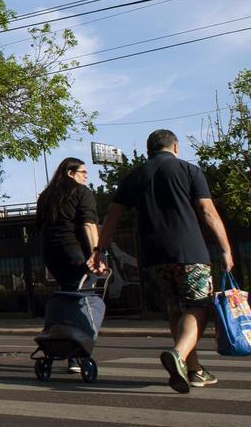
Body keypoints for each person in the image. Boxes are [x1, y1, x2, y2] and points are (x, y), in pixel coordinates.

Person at [93, 128, 234, 393]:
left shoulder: (133, 177)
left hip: (153, 257)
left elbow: (111, 216)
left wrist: (100, 250)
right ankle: (179, 355)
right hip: (190, 252)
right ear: (175, 147)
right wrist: (225, 248)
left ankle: (194, 371)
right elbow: (207, 210)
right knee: (198, 307)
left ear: (149, 150)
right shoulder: (189, 170)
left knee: (176, 310)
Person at [36, 156, 100, 373]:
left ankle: (62, 346)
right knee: (81, 301)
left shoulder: (45, 196)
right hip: (74, 252)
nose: (86, 176)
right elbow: (89, 225)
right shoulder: (82, 192)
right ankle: (76, 353)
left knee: (67, 295)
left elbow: (40, 227)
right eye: (83, 172)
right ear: (70, 173)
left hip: (50, 253)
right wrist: (96, 255)